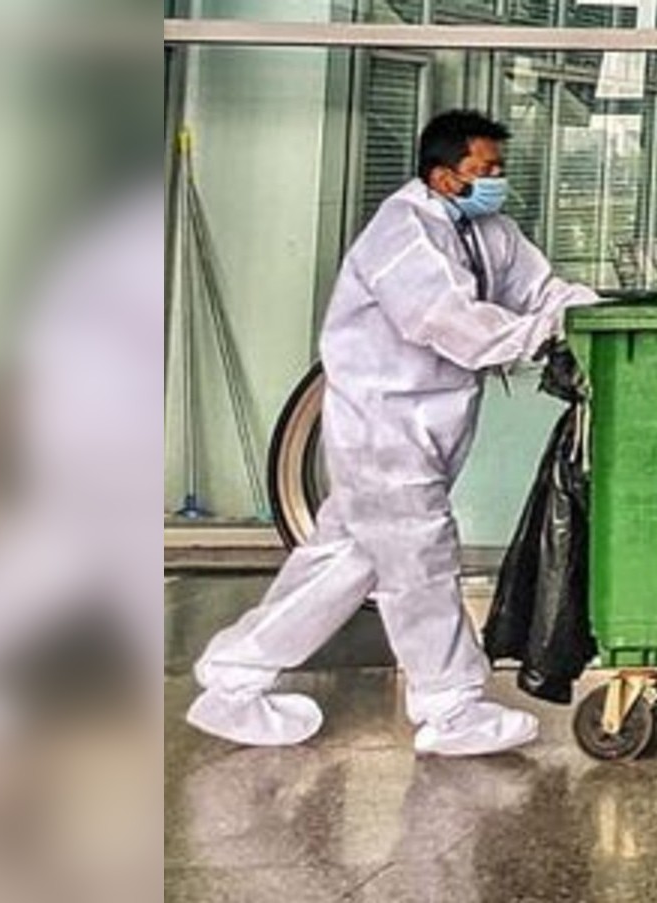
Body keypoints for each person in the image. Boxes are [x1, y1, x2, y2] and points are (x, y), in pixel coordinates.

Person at [186, 110, 598, 755]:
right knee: (421, 561)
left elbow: (541, 289)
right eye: (483, 170)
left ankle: (234, 677)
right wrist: (538, 334)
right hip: (384, 428)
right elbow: (446, 319)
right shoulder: (401, 236)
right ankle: (451, 708)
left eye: (499, 168)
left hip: (428, 426)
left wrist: (596, 313)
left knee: (344, 561)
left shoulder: (487, 230)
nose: (497, 181)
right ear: (442, 176)